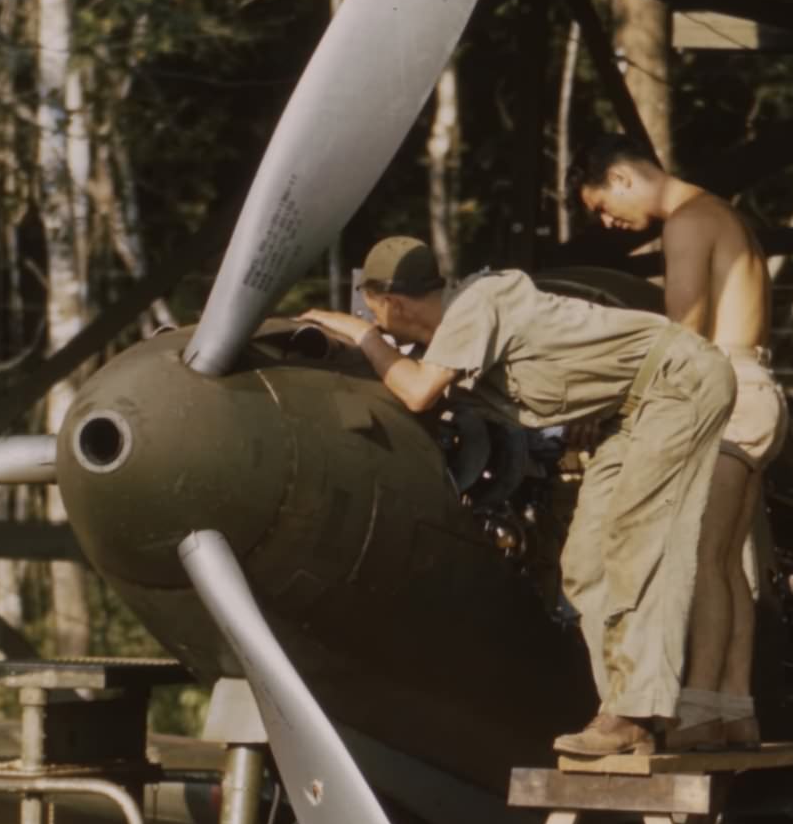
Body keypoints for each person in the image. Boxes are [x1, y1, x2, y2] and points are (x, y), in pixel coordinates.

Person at [286, 232, 735, 768]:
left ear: (391, 303)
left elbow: (417, 392)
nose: (375, 320)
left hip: (679, 383)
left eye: (373, 310)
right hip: (633, 406)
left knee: (635, 543)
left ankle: (636, 712)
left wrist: (360, 335)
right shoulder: (456, 340)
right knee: (586, 560)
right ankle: (623, 713)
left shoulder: (478, 303)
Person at [580, 146, 781, 746]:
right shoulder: (726, 215)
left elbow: (683, 336)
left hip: (725, 393)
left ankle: (696, 713)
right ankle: (735, 708)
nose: (606, 223)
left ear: (621, 177)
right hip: (757, 389)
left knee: (698, 560)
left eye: (603, 206)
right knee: (727, 564)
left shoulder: (689, 221)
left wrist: (616, 407)